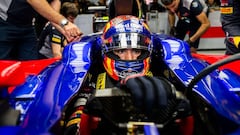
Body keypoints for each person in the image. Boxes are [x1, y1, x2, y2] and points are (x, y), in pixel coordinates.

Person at [63, 15, 191, 135]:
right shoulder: (92, 80)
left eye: (136, 50)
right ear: (106, 51)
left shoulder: (164, 78)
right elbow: (73, 128)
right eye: (120, 50)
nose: (129, 58)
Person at [0, 0, 82, 60]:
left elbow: (53, 17)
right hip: (4, 20)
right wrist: (65, 23)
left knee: (30, 68)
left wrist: (67, 33)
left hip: (27, 26)